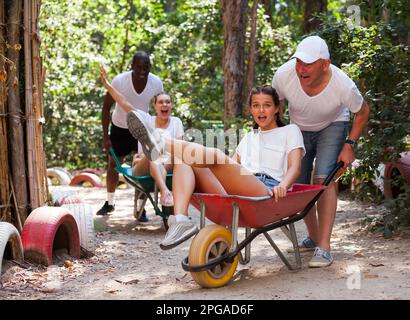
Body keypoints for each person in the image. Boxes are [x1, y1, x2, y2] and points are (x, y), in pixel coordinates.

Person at [124, 85, 305, 250]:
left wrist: (284, 185)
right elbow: (231, 167)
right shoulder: (249, 137)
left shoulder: (290, 131)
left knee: (217, 157)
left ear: (277, 108)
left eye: (267, 105)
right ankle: (180, 220)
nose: (261, 110)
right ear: (251, 109)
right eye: (256, 105)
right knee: (185, 159)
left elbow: (295, 167)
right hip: (239, 192)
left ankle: (160, 142)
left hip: (267, 193)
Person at [271, 35, 370, 267]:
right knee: (300, 185)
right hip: (298, 128)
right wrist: (279, 134)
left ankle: (324, 246)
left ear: (325, 64)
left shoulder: (343, 84)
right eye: (298, 62)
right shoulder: (284, 75)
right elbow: (274, 104)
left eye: (308, 64)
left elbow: (363, 111)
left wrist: (350, 145)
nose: (301, 69)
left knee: (324, 180)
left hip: (332, 126)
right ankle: (314, 236)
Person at [97, 52, 163, 219]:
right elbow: (106, 108)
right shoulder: (120, 81)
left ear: (150, 67)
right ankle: (110, 202)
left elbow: (161, 108)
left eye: (146, 67)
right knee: (113, 165)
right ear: (132, 66)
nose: (142, 70)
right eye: (139, 67)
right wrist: (106, 137)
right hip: (120, 127)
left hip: (142, 128)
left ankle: (140, 209)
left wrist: (160, 131)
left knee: (142, 169)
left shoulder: (156, 83)